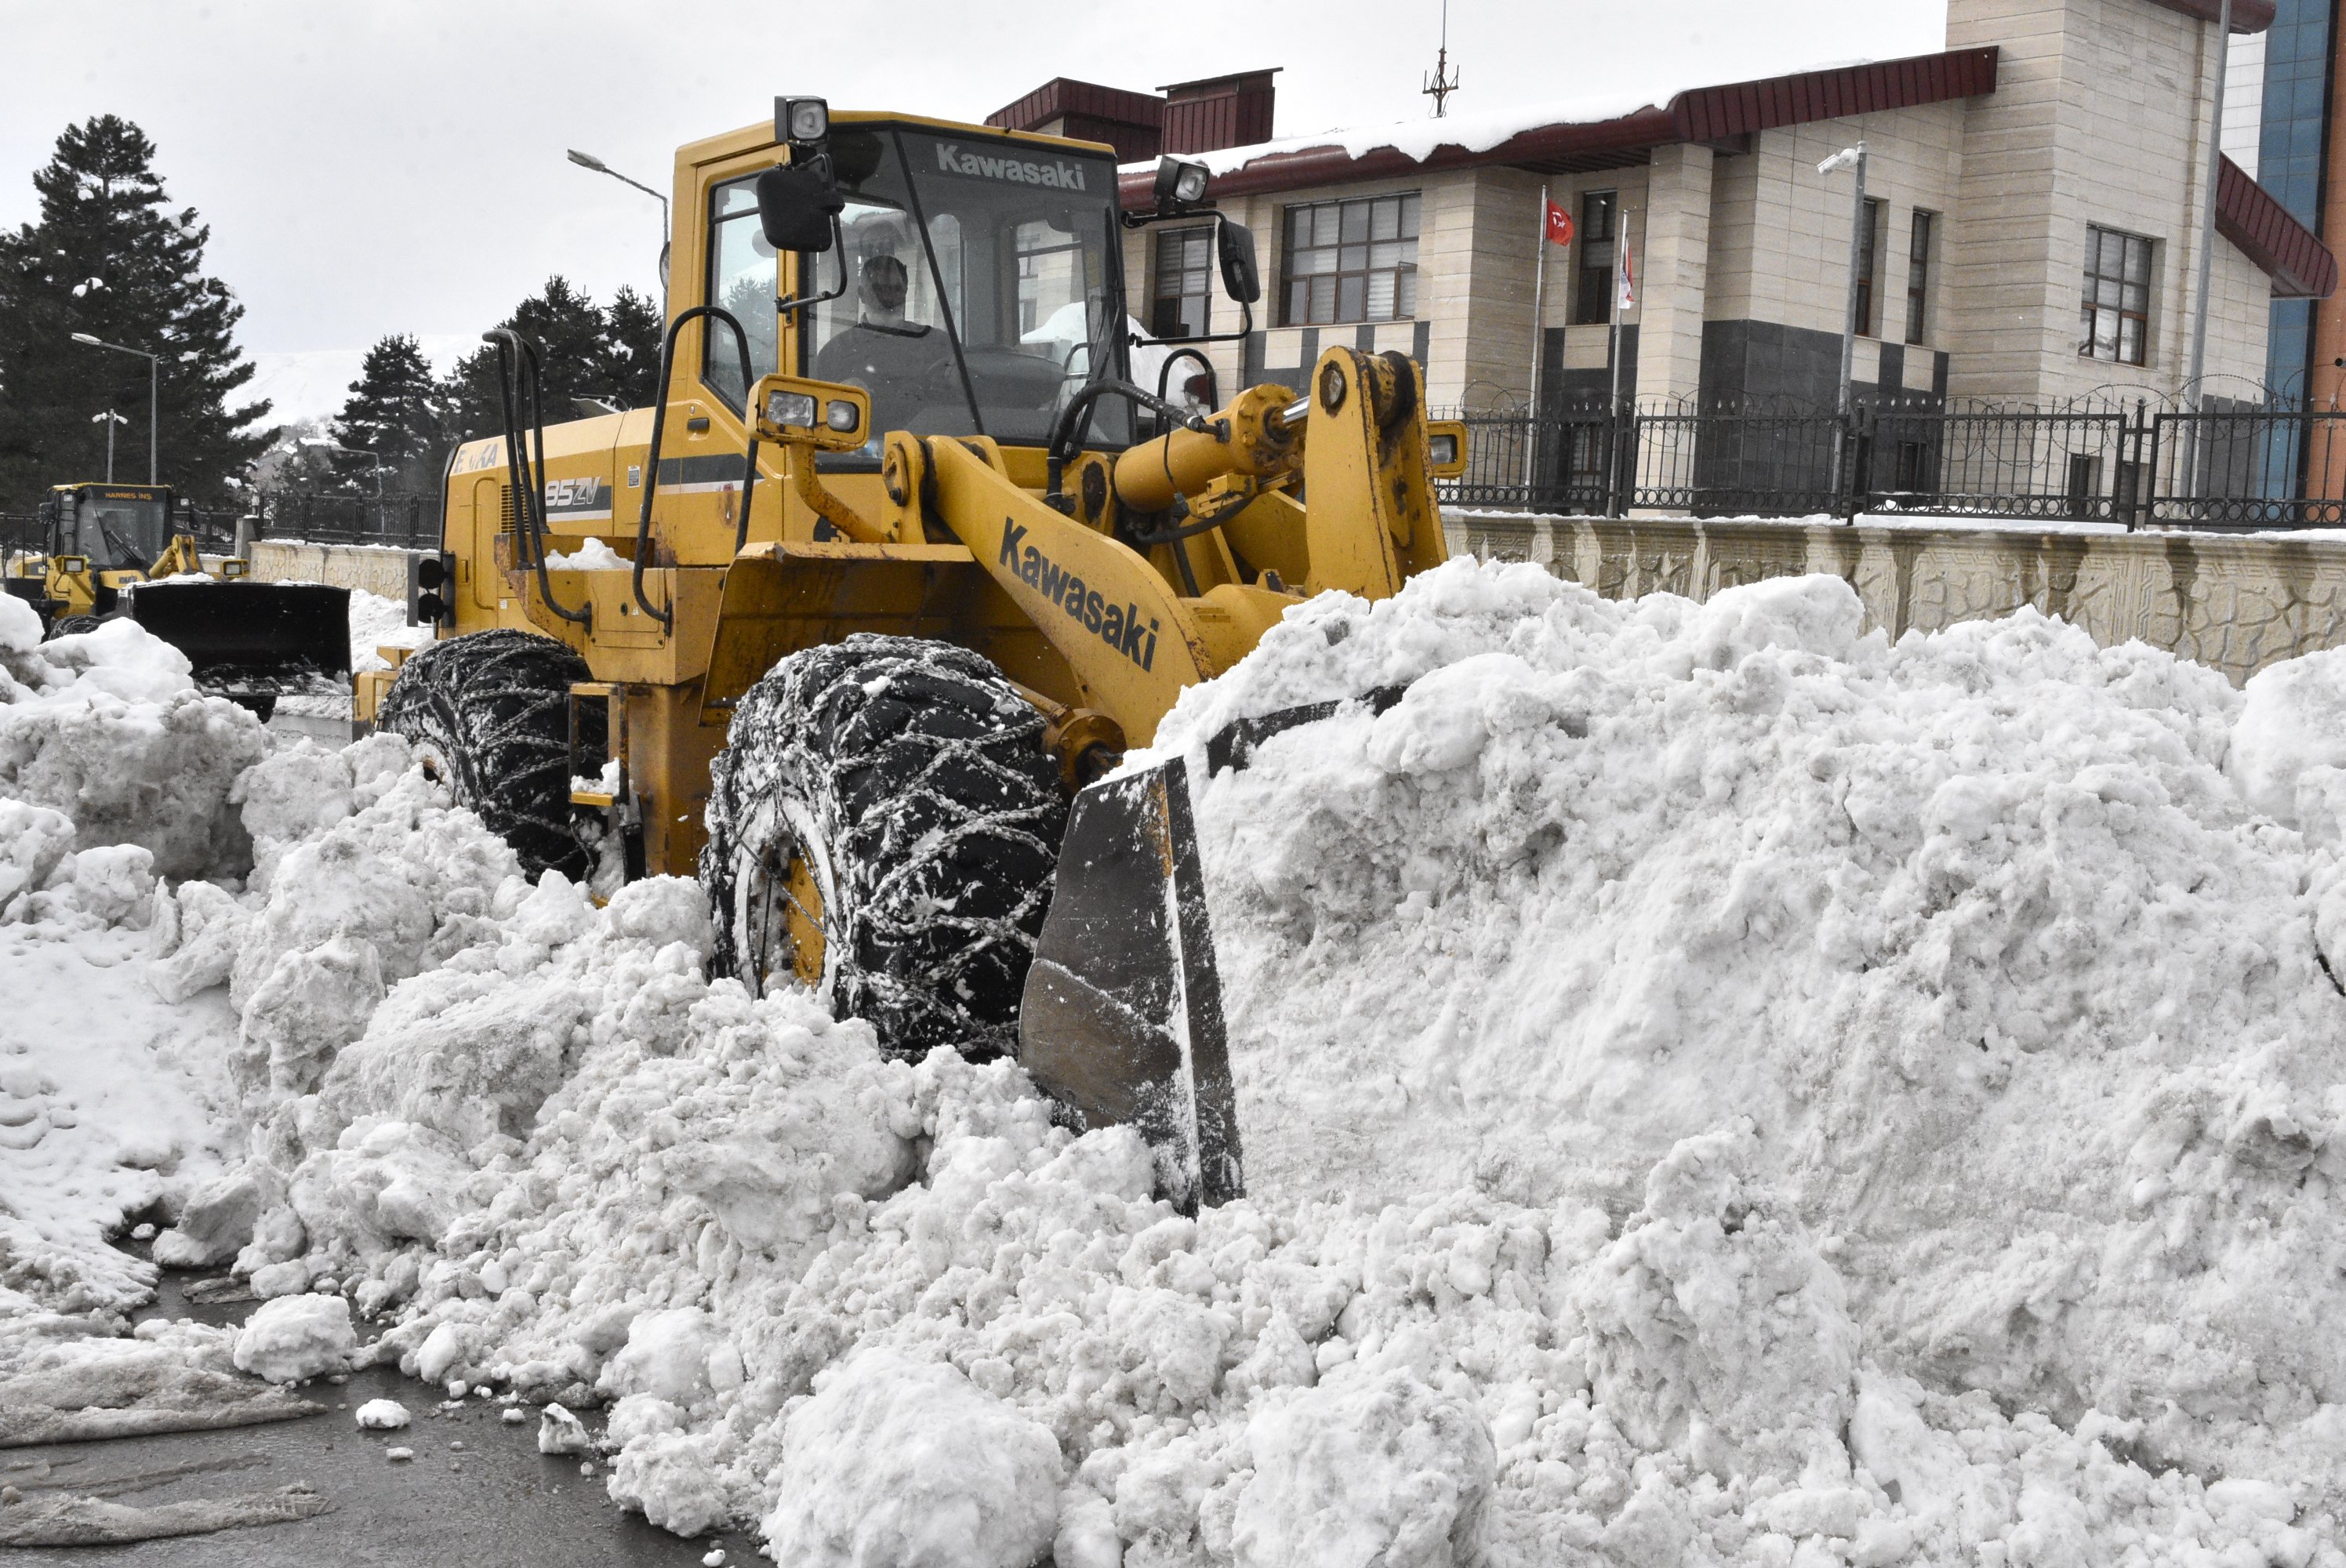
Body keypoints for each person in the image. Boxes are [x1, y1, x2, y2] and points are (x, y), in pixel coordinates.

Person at [812, 253, 956, 434]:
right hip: (855, 457)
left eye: (896, 288)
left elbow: (960, 404)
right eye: (879, 288)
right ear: (862, 294)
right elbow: (817, 423)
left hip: (932, 450)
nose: (888, 297)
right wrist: (842, 397)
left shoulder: (940, 346)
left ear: (905, 291)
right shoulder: (834, 354)